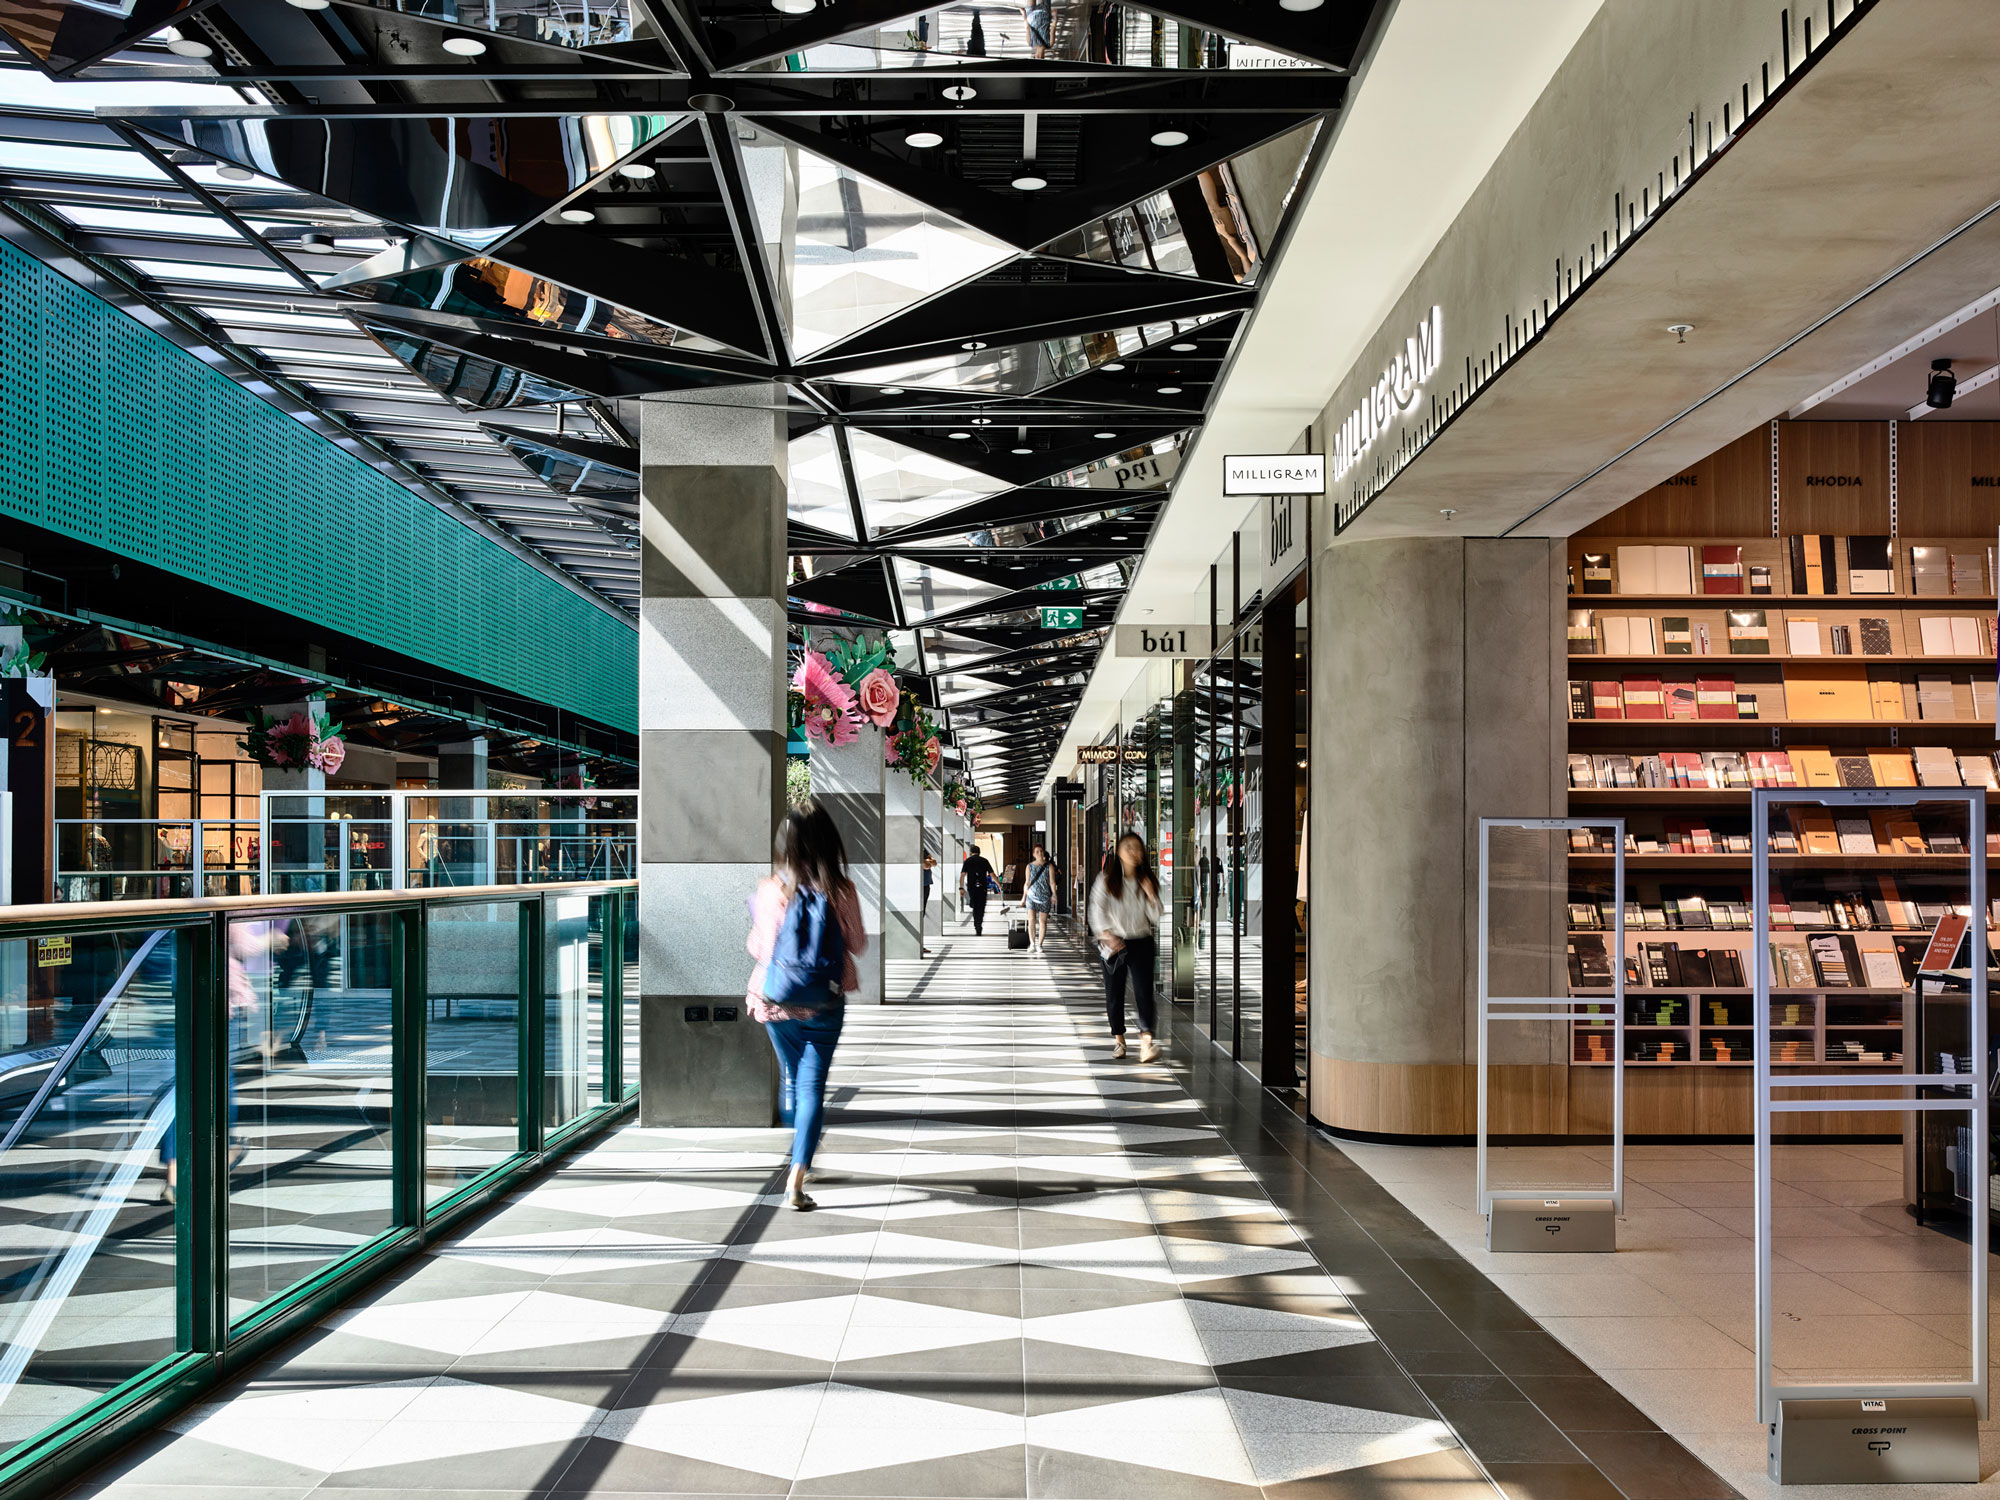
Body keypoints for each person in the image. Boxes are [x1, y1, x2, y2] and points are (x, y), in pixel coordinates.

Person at [746, 800, 865, 1210]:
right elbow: (858, 944)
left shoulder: (769, 889)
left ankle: (802, 1147)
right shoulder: (840, 888)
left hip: (775, 1001)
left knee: (793, 1081)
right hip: (824, 1002)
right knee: (812, 1086)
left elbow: (757, 947)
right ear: (829, 842)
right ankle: (797, 1174)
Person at [1089, 833, 1163, 1062]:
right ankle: (1119, 1040)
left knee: (1144, 993)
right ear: (1118, 852)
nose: (1133, 852)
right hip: (1114, 943)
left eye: (1137, 848)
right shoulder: (1106, 880)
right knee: (1114, 993)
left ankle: (1146, 1041)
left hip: (1141, 941)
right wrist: (1106, 934)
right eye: (1128, 848)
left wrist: (1151, 895)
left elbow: (1156, 916)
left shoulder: (1146, 881)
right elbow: (1096, 910)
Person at [1022, 842, 1056, 953]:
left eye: (1041, 851)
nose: (1039, 853)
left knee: (1043, 921)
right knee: (1031, 920)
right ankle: (1032, 943)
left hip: (1045, 897)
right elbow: (1026, 883)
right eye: (1037, 851)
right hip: (1031, 896)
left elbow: (1052, 882)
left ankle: (1040, 944)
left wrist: (1054, 894)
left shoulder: (1049, 866)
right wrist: (1024, 897)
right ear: (1033, 854)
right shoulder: (1029, 867)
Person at [960, 844, 995, 936]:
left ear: (971, 852)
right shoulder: (984, 861)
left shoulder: (967, 861)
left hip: (972, 887)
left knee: (975, 906)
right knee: (981, 907)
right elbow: (992, 874)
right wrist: (999, 885)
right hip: (982, 887)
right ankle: (979, 925)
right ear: (979, 852)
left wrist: (961, 887)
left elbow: (963, 875)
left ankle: (976, 924)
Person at [920, 854, 936, 956]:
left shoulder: (924, 850)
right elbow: (926, 865)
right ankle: (919, 944)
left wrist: (927, 861)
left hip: (926, 885)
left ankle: (920, 944)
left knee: (922, 914)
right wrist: (928, 861)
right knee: (920, 915)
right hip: (920, 886)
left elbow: (934, 863)